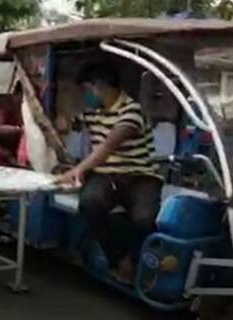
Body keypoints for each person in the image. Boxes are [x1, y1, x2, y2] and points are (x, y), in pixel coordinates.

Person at [55, 62, 163, 283]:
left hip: (141, 176)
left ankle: (145, 263)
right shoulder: (91, 112)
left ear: (99, 86)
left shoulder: (131, 110)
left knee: (144, 219)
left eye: (85, 90)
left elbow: (106, 147)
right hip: (106, 176)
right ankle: (120, 261)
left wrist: (77, 170)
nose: (84, 96)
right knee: (89, 203)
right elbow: (68, 125)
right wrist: (61, 122)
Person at [0, 82, 24, 167]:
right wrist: (19, 130)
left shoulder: (27, 110)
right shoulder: (6, 107)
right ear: (16, 95)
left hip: (15, 154)